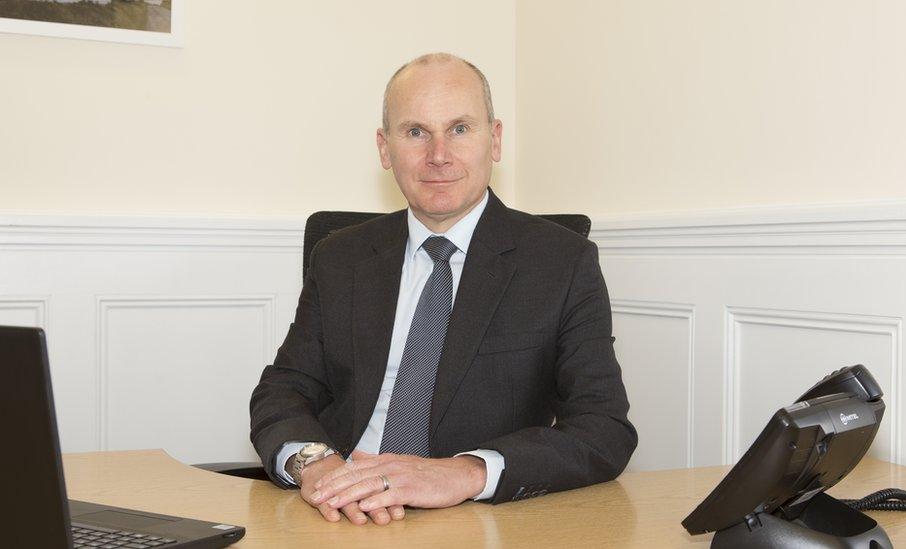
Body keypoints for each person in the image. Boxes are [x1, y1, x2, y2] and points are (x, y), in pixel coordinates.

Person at [249, 52, 637, 526]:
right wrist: (316, 465)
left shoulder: (561, 262)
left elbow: (604, 429)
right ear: (384, 148)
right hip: (337, 511)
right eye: (415, 132)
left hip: (475, 520)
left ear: (494, 140)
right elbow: (284, 390)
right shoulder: (339, 257)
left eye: (459, 129)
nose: (438, 155)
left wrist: (466, 472)